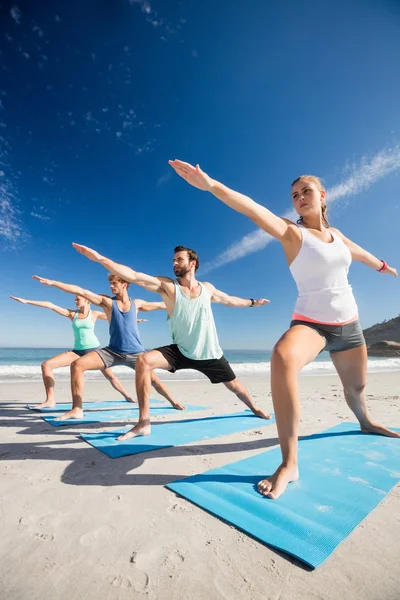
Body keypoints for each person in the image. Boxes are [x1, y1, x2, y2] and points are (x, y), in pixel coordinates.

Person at [169, 159, 399, 499]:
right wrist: (211, 185)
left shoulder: (338, 237)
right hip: (312, 324)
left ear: (322, 196)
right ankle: (289, 463)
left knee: (357, 390)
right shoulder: (293, 233)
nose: (300, 197)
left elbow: (359, 253)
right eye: (294, 195)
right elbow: (253, 209)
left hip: (349, 326)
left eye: (306, 191)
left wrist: (382, 266)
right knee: (283, 357)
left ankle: (365, 421)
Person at [71, 242, 271, 441]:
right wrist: (99, 258)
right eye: (173, 260)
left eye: (179, 259)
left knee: (235, 386)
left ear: (192, 263)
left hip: (210, 353)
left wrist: (253, 302)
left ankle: (254, 407)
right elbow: (135, 276)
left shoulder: (207, 289)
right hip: (181, 351)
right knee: (143, 361)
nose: (174, 263)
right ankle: (143, 422)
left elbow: (229, 300)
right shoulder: (168, 287)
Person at [32, 273, 182, 420]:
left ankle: (173, 401)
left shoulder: (137, 304)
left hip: (136, 353)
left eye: (114, 283)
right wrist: (52, 283)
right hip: (113, 351)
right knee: (77, 365)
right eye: (110, 283)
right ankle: (77, 409)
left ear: (125, 284)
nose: (111, 286)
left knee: (154, 381)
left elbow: (162, 305)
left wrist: (184, 303)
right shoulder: (108, 303)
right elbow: (80, 291)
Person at [10, 294, 140, 408]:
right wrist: (26, 301)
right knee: (46, 365)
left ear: (87, 300)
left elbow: (117, 317)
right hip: (77, 351)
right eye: (75, 300)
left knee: (111, 377)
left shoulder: (94, 314)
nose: (75, 302)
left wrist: (134, 321)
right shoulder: (73, 314)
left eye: (78, 299)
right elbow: (50, 305)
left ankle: (127, 396)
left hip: (94, 351)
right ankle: (50, 400)